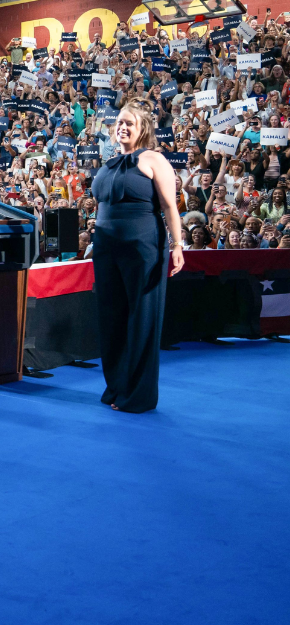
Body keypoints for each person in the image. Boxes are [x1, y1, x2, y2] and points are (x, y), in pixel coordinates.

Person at [90, 99, 184, 413]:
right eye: (119, 122)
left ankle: (138, 395)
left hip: (142, 248)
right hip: (105, 248)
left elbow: (170, 207)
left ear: (143, 128)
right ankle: (117, 386)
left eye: (130, 122)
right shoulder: (110, 161)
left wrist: (177, 247)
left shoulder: (154, 158)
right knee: (110, 317)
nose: (123, 127)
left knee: (141, 319)